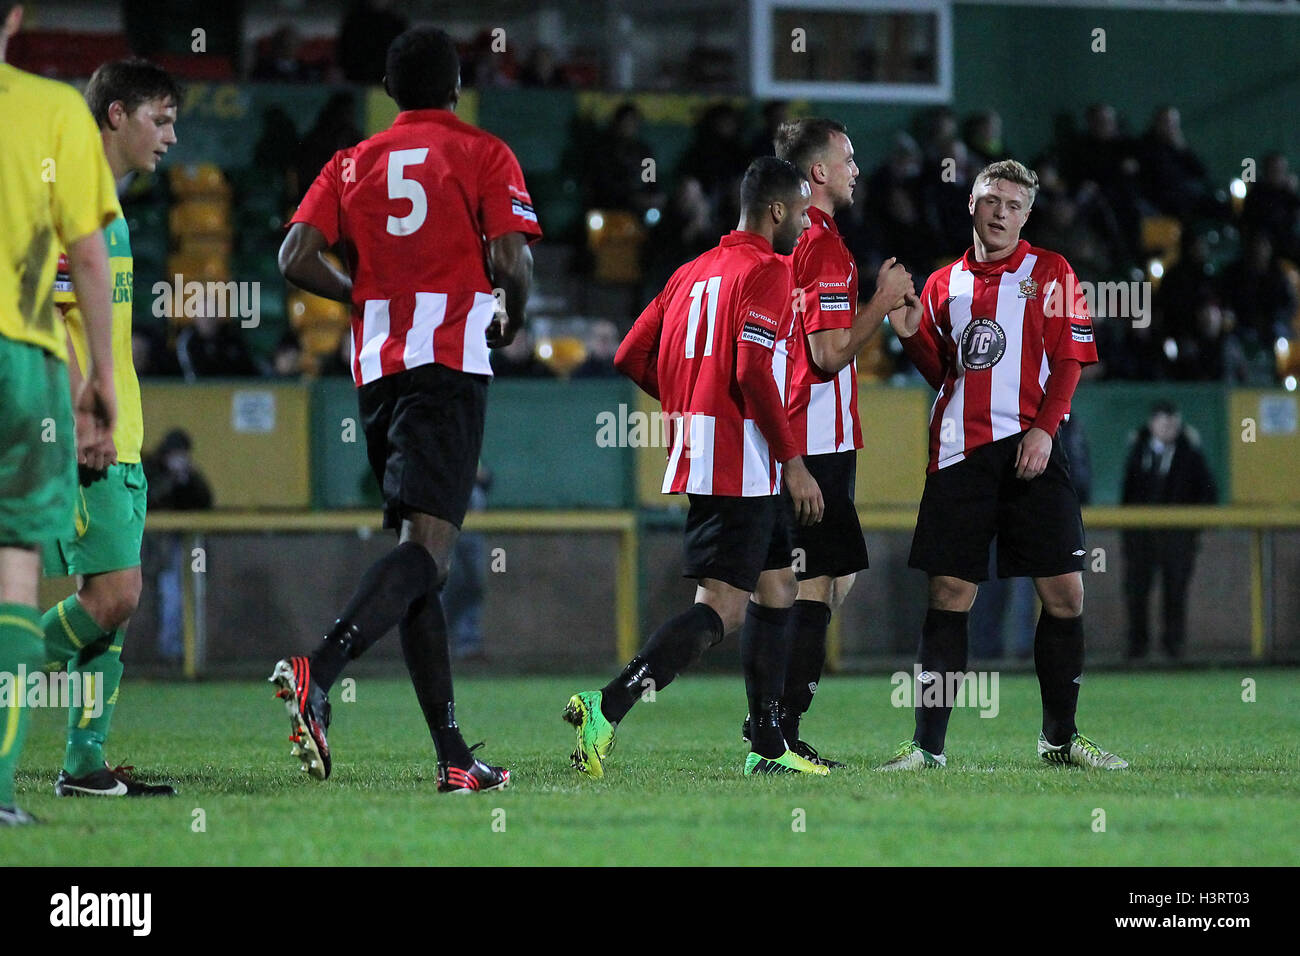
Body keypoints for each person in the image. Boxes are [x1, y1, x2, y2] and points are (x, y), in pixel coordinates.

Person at [272, 27, 539, 794]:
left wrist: (361, 294)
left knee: (423, 555)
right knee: (426, 551)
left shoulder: (351, 160)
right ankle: (316, 670)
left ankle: (454, 757)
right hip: (448, 362)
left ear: (388, 93)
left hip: (376, 371)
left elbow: (293, 255)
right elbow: (513, 260)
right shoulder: (484, 152)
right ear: (456, 87)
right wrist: (512, 319)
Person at [564, 157, 829, 779]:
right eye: (802, 213)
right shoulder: (767, 270)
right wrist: (794, 461)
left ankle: (768, 744)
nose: (806, 225)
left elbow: (631, 355)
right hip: (741, 460)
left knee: (776, 587)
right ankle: (607, 705)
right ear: (776, 211)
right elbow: (750, 371)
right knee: (722, 608)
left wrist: (690, 404)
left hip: (717, 451)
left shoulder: (689, 272)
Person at [881, 159, 1128, 772]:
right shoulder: (941, 285)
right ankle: (927, 749)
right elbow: (945, 375)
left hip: (1032, 447)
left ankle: (1061, 740)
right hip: (960, 454)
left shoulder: (1052, 272)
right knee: (948, 593)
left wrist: (1046, 430)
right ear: (972, 203)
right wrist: (911, 335)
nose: (1001, 212)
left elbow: (1071, 358)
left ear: (1027, 215)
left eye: (1015, 205)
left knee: (1065, 593)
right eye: (992, 199)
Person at [39, 58, 181, 798]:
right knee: (115, 596)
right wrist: (81, 412)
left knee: (111, 607)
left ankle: (84, 764)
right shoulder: (71, 197)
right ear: (117, 115)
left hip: (118, 433)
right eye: (161, 120)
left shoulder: (109, 208)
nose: (170, 137)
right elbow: (46, 319)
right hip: (84, 433)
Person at [750, 118, 911, 766]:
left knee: (810, 581)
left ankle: (772, 725)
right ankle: (780, 732)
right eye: (847, 159)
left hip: (793, 436)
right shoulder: (822, 247)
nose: (856, 169)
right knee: (817, 584)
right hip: (814, 441)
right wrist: (884, 302)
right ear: (817, 173)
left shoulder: (791, 239)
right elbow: (826, 354)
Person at [0, 2, 120, 824]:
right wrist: (99, 381)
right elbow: (85, 254)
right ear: (14, 15)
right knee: (14, 573)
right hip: (21, 356)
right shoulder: (50, 110)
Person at [1121, 401, 1217, 660]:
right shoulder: (1139, 451)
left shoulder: (1190, 454)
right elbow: (1127, 495)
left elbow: (1209, 492)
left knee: (1175, 591)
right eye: (1163, 423)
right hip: (1141, 536)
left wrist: (1192, 529)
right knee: (1136, 591)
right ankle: (1137, 646)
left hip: (1178, 537)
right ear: (1152, 424)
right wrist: (1128, 536)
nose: (1168, 428)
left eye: (1173, 423)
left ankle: (1173, 646)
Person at [142, 429, 213, 662]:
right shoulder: (150, 469)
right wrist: (170, 481)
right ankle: (168, 652)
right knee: (169, 595)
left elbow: (206, 503)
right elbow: (149, 499)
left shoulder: (190, 475)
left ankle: (192, 654)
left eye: (182, 454)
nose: (179, 458)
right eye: (174, 453)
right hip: (156, 546)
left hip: (191, 545)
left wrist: (187, 479)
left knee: (195, 592)